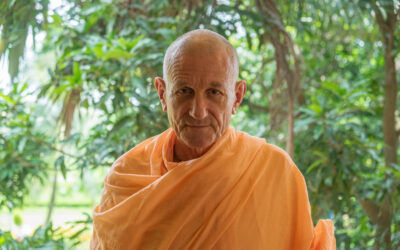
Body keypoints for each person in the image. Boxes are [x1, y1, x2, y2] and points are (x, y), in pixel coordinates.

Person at [90, 29, 335, 249]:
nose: (198, 111)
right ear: (162, 94)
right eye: (184, 91)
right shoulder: (128, 176)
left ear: (237, 97)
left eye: (214, 93)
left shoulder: (275, 172)